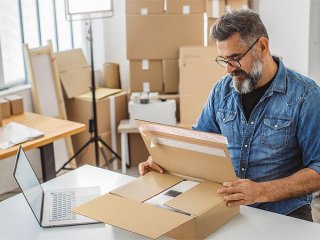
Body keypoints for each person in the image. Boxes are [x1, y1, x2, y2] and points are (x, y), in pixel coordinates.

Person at [139, 9, 320, 222]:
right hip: (228, 205)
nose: (228, 69)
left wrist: (261, 191)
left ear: (262, 47)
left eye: (235, 58)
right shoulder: (221, 91)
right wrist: (165, 162)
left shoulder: (305, 95)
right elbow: (198, 145)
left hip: (285, 211)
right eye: (223, 60)